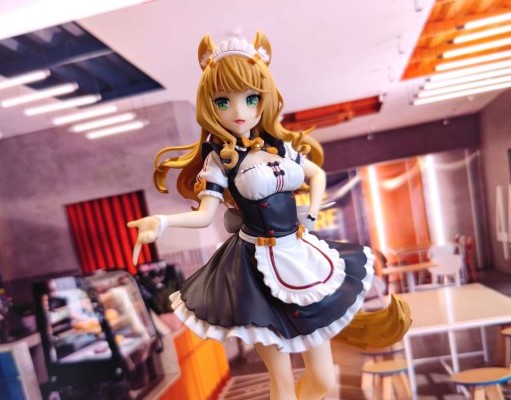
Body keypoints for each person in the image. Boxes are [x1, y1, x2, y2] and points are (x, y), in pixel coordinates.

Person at [128, 32, 410, 400]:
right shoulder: (220, 161)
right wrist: (162, 223)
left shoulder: (282, 147)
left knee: (323, 380)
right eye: (223, 101)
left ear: (265, 98)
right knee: (282, 382)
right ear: (211, 106)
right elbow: (204, 215)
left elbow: (317, 175)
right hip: (254, 270)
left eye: (250, 98)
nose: (239, 111)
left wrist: (312, 214)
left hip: (300, 255)